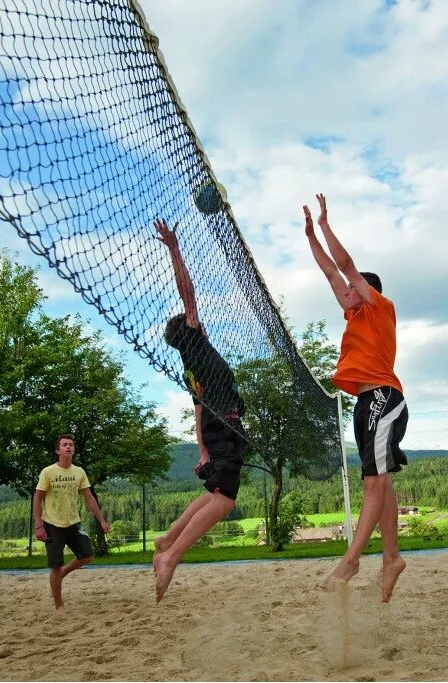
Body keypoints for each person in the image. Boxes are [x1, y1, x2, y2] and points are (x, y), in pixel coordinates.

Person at [304, 193, 408, 603]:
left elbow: (344, 266)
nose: (344, 291)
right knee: (382, 484)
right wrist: (310, 235)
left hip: (385, 397)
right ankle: (392, 557)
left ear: (366, 292)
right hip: (366, 403)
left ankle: (351, 560)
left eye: (352, 289)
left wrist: (328, 225)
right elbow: (331, 271)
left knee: (372, 480)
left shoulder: (379, 307)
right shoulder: (352, 315)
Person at [152, 218, 246, 603]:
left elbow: (196, 408)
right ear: (189, 328)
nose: (200, 320)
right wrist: (174, 248)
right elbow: (187, 290)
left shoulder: (191, 364)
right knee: (224, 501)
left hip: (217, 428)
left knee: (213, 494)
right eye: (195, 320)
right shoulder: (196, 342)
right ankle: (172, 556)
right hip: (225, 425)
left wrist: (202, 450)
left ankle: (167, 538)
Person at [33, 434, 111, 611]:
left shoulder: (79, 472)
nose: (68, 447)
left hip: (73, 523)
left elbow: (89, 497)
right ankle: (59, 605)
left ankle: (62, 574)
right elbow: (38, 498)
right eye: (64, 445)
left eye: (71, 445)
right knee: (55, 566)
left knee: (88, 555)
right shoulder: (48, 472)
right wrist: (38, 525)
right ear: (57, 450)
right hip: (52, 525)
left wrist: (101, 520)